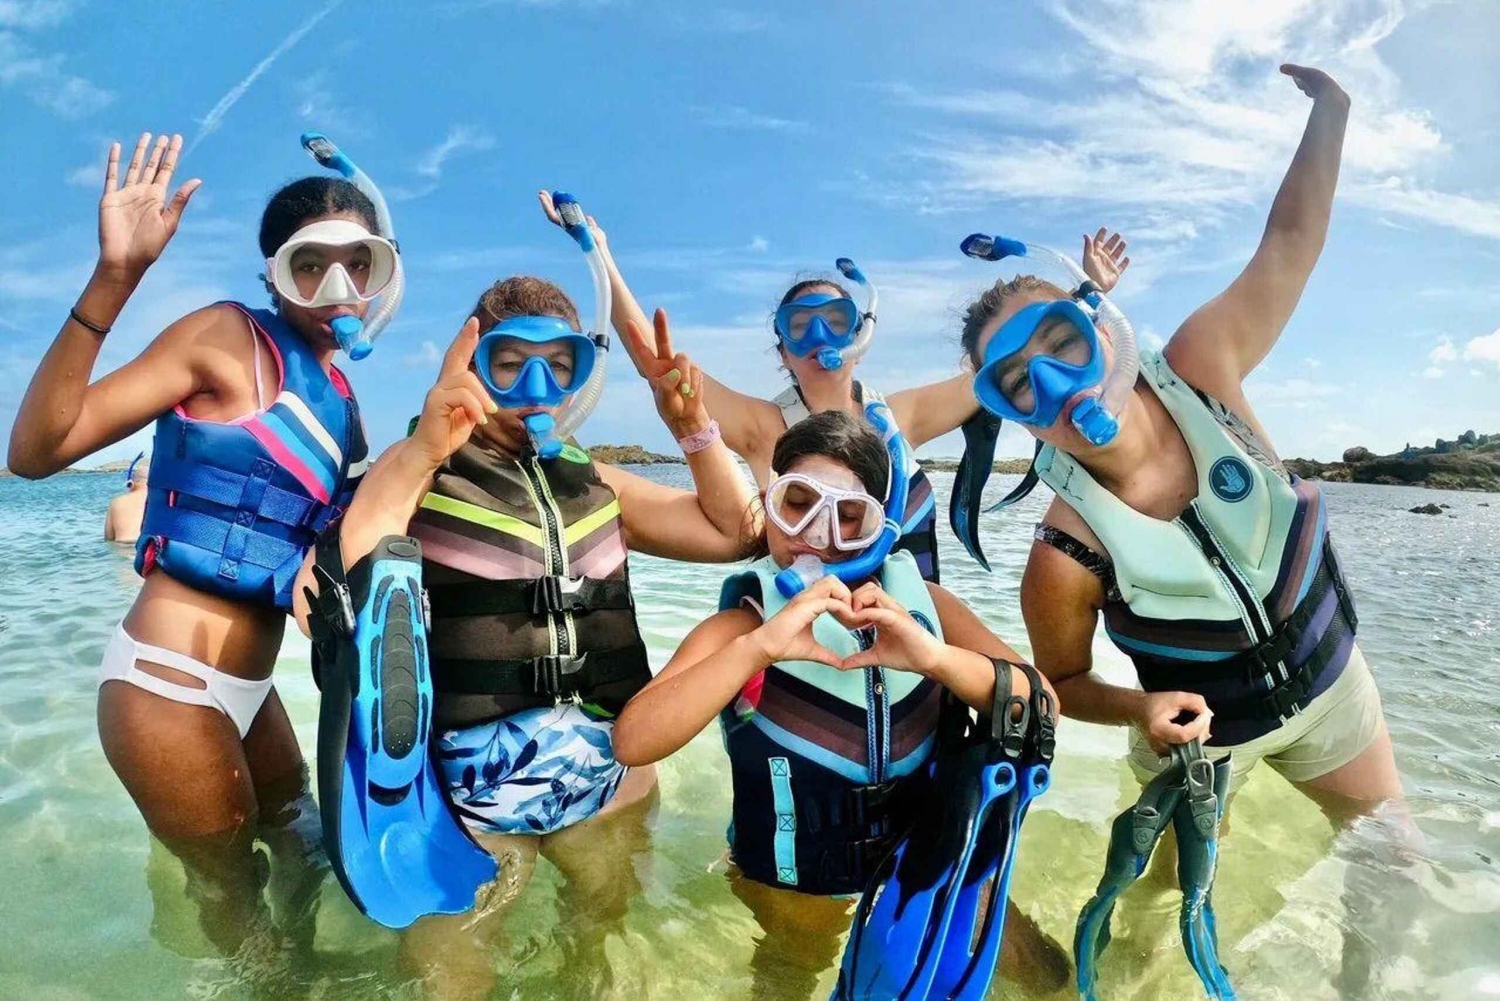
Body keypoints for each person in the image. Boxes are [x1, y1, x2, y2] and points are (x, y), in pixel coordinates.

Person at [949, 65, 1404, 993]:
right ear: (1011, 413)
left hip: (1330, 695)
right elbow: (1066, 682)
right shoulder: (1065, 545)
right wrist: (1140, 709)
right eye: (1017, 384)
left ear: (1096, 329)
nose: (1057, 390)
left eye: (1061, 347)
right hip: (1201, 742)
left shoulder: (1203, 369)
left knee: (1393, 864)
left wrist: (1332, 113)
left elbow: (1290, 243)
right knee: (1161, 901)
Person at [296, 251, 762, 999]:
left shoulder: (596, 479)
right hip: (471, 799)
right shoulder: (425, 466)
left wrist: (695, 429)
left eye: (558, 364)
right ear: (470, 365)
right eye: (507, 364)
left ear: (582, 373)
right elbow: (358, 550)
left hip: (611, 779)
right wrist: (424, 447)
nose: (534, 389)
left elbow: (736, 532)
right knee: (455, 978)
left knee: (602, 955)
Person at [7, 131, 400, 954]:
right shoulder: (227, 337)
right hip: (167, 685)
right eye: (309, 265)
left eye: (358, 264)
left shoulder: (342, 404)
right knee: (235, 899)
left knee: (306, 850)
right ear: (274, 274)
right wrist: (117, 277)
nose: (337, 286)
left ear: (381, 274)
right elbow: (36, 453)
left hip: (252, 692)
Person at [613, 410, 1068, 999]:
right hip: (792, 878)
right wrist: (758, 648)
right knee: (788, 977)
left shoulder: (927, 606)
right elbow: (633, 739)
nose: (816, 534)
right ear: (767, 505)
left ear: (880, 530)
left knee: (1041, 977)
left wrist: (934, 659)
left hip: (925, 858)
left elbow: (1043, 704)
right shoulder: (739, 626)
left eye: (849, 517)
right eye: (796, 503)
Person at [539, 193, 1131, 583]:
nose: (819, 335)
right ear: (782, 352)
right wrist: (602, 257)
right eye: (800, 327)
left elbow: (1016, 369)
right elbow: (658, 362)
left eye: (835, 319)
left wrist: (1090, 300)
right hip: (810, 643)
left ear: (860, 333)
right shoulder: (764, 427)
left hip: (917, 645)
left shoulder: (901, 417)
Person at [104, 451, 149, 544]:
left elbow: (109, 538)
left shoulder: (116, 502)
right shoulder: (161, 500)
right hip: (147, 547)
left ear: (130, 484)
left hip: (123, 549)